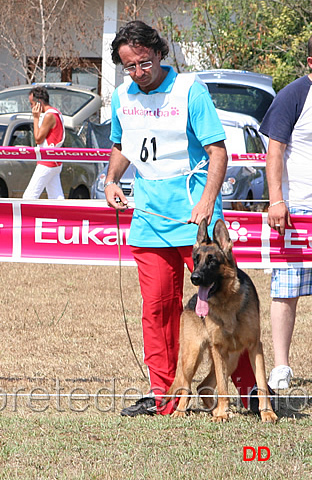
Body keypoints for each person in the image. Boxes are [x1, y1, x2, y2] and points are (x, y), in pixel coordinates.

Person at [104, 20, 259, 416]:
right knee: (158, 309)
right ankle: (168, 397)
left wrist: (207, 203)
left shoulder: (191, 90)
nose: (138, 73)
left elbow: (218, 152)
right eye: (129, 67)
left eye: (144, 63)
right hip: (149, 219)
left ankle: (246, 394)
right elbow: (124, 145)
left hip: (196, 221)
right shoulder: (123, 97)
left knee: (226, 305)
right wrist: (111, 180)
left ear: (159, 54)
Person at [260, 35, 312, 390]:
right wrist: (276, 199)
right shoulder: (293, 95)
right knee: (286, 287)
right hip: (298, 208)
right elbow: (274, 151)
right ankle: (281, 366)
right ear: (310, 62)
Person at [22, 86, 66, 200]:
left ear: (39, 102)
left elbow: (38, 139)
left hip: (47, 161)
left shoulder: (49, 115)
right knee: (56, 197)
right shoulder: (57, 113)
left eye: (32, 104)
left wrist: (36, 118)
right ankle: (61, 216)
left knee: (29, 196)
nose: (31, 107)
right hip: (54, 160)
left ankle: (27, 217)